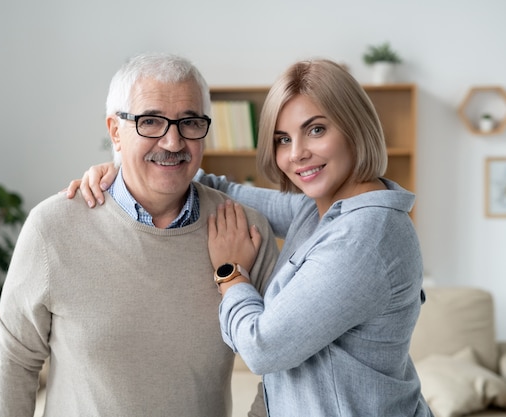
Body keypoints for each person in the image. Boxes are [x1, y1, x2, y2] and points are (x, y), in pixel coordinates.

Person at [66, 59, 433, 416]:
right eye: (282, 139)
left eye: (316, 130)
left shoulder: (364, 238)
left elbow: (262, 347)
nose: (297, 154)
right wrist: (125, 168)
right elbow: (217, 187)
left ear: (355, 127)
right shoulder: (319, 210)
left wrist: (231, 272)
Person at [0, 52, 279, 417]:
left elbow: (284, 365)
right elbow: (16, 362)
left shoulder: (246, 232)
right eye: (150, 121)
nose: (173, 142)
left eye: (189, 122)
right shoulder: (52, 228)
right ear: (115, 131)